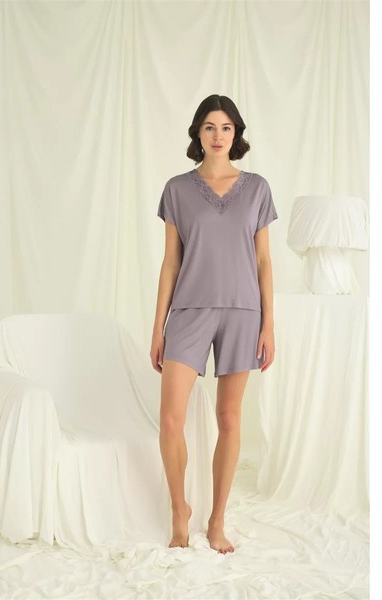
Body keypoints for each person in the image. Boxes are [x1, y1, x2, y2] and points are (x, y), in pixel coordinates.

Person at [150, 94, 278, 554]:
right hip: (189, 310)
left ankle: (218, 519)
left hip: (243, 312)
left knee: (229, 417)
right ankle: (179, 510)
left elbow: (263, 261)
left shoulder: (257, 188)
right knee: (170, 420)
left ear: (236, 133)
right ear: (197, 134)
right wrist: (158, 327)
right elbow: (170, 262)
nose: (218, 135)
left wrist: (269, 324)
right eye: (209, 127)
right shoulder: (177, 189)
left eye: (226, 127)